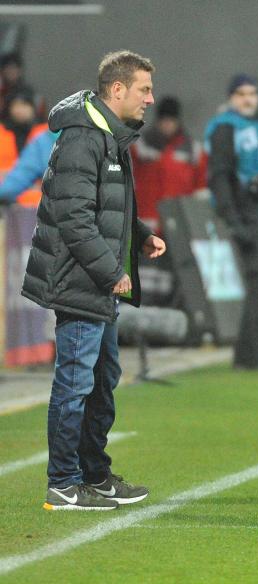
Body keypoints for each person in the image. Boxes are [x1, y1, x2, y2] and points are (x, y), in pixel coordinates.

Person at [22, 50, 166, 510]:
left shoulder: (110, 136)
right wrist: (113, 273)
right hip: (81, 280)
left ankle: (94, 475)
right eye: (144, 89)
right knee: (76, 382)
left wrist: (139, 235)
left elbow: (107, 209)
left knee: (103, 380)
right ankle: (64, 483)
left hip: (97, 279)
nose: (150, 98)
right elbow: (75, 221)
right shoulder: (84, 139)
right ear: (117, 89)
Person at [205, 74, 258, 370]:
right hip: (248, 210)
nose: (247, 99)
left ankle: (246, 355)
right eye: (241, 94)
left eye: (252, 93)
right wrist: (233, 219)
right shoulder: (225, 128)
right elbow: (220, 176)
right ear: (230, 97)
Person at [131, 95, 206, 233]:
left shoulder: (193, 151)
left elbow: (201, 188)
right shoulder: (139, 147)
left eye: (171, 120)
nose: (167, 125)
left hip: (182, 224)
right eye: (164, 120)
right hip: (147, 224)